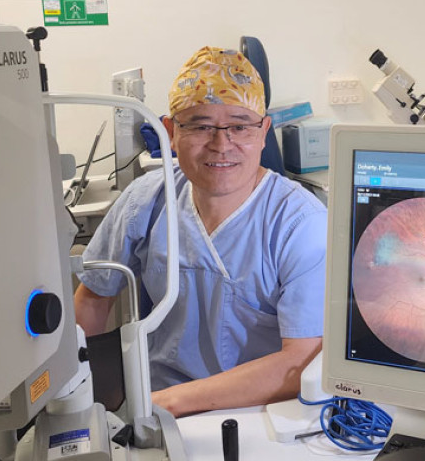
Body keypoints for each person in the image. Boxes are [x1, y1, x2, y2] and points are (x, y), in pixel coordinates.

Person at [74, 47, 326, 418]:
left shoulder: (300, 224)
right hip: (155, 404)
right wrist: (73, 398)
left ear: (263, 133)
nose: (221, 144)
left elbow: (302, 361)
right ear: (171, 132)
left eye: (240, 125)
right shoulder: (146, 200)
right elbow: (93, 300)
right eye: (201, 125)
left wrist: (170, 403)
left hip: (263, 413)